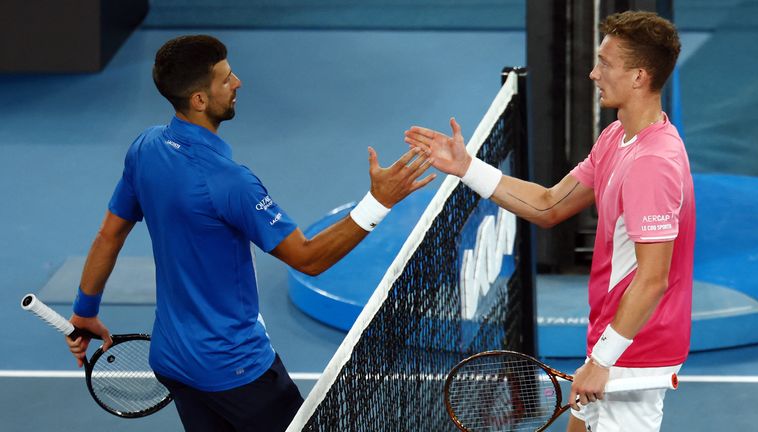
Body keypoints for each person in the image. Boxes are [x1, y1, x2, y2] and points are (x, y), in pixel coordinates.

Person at [65, 34, 435, 432]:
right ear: (199, 100)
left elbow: (109, 235)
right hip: (238, 373)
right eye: (225, 79)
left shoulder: (145, 148)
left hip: (173, 360)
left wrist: (84, 311)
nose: (238, 82)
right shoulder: (231, 183)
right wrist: (378, 202)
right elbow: (309, 258)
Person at [405, 11, 693, 432]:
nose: (594, 73)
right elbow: (548, 205)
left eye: (606, 64)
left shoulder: (652, 163)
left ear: (638, 76)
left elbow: (653, 279)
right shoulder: (617, 137)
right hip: (613, 337)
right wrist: (468, 168)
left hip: (635, 353)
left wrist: (603, 360)